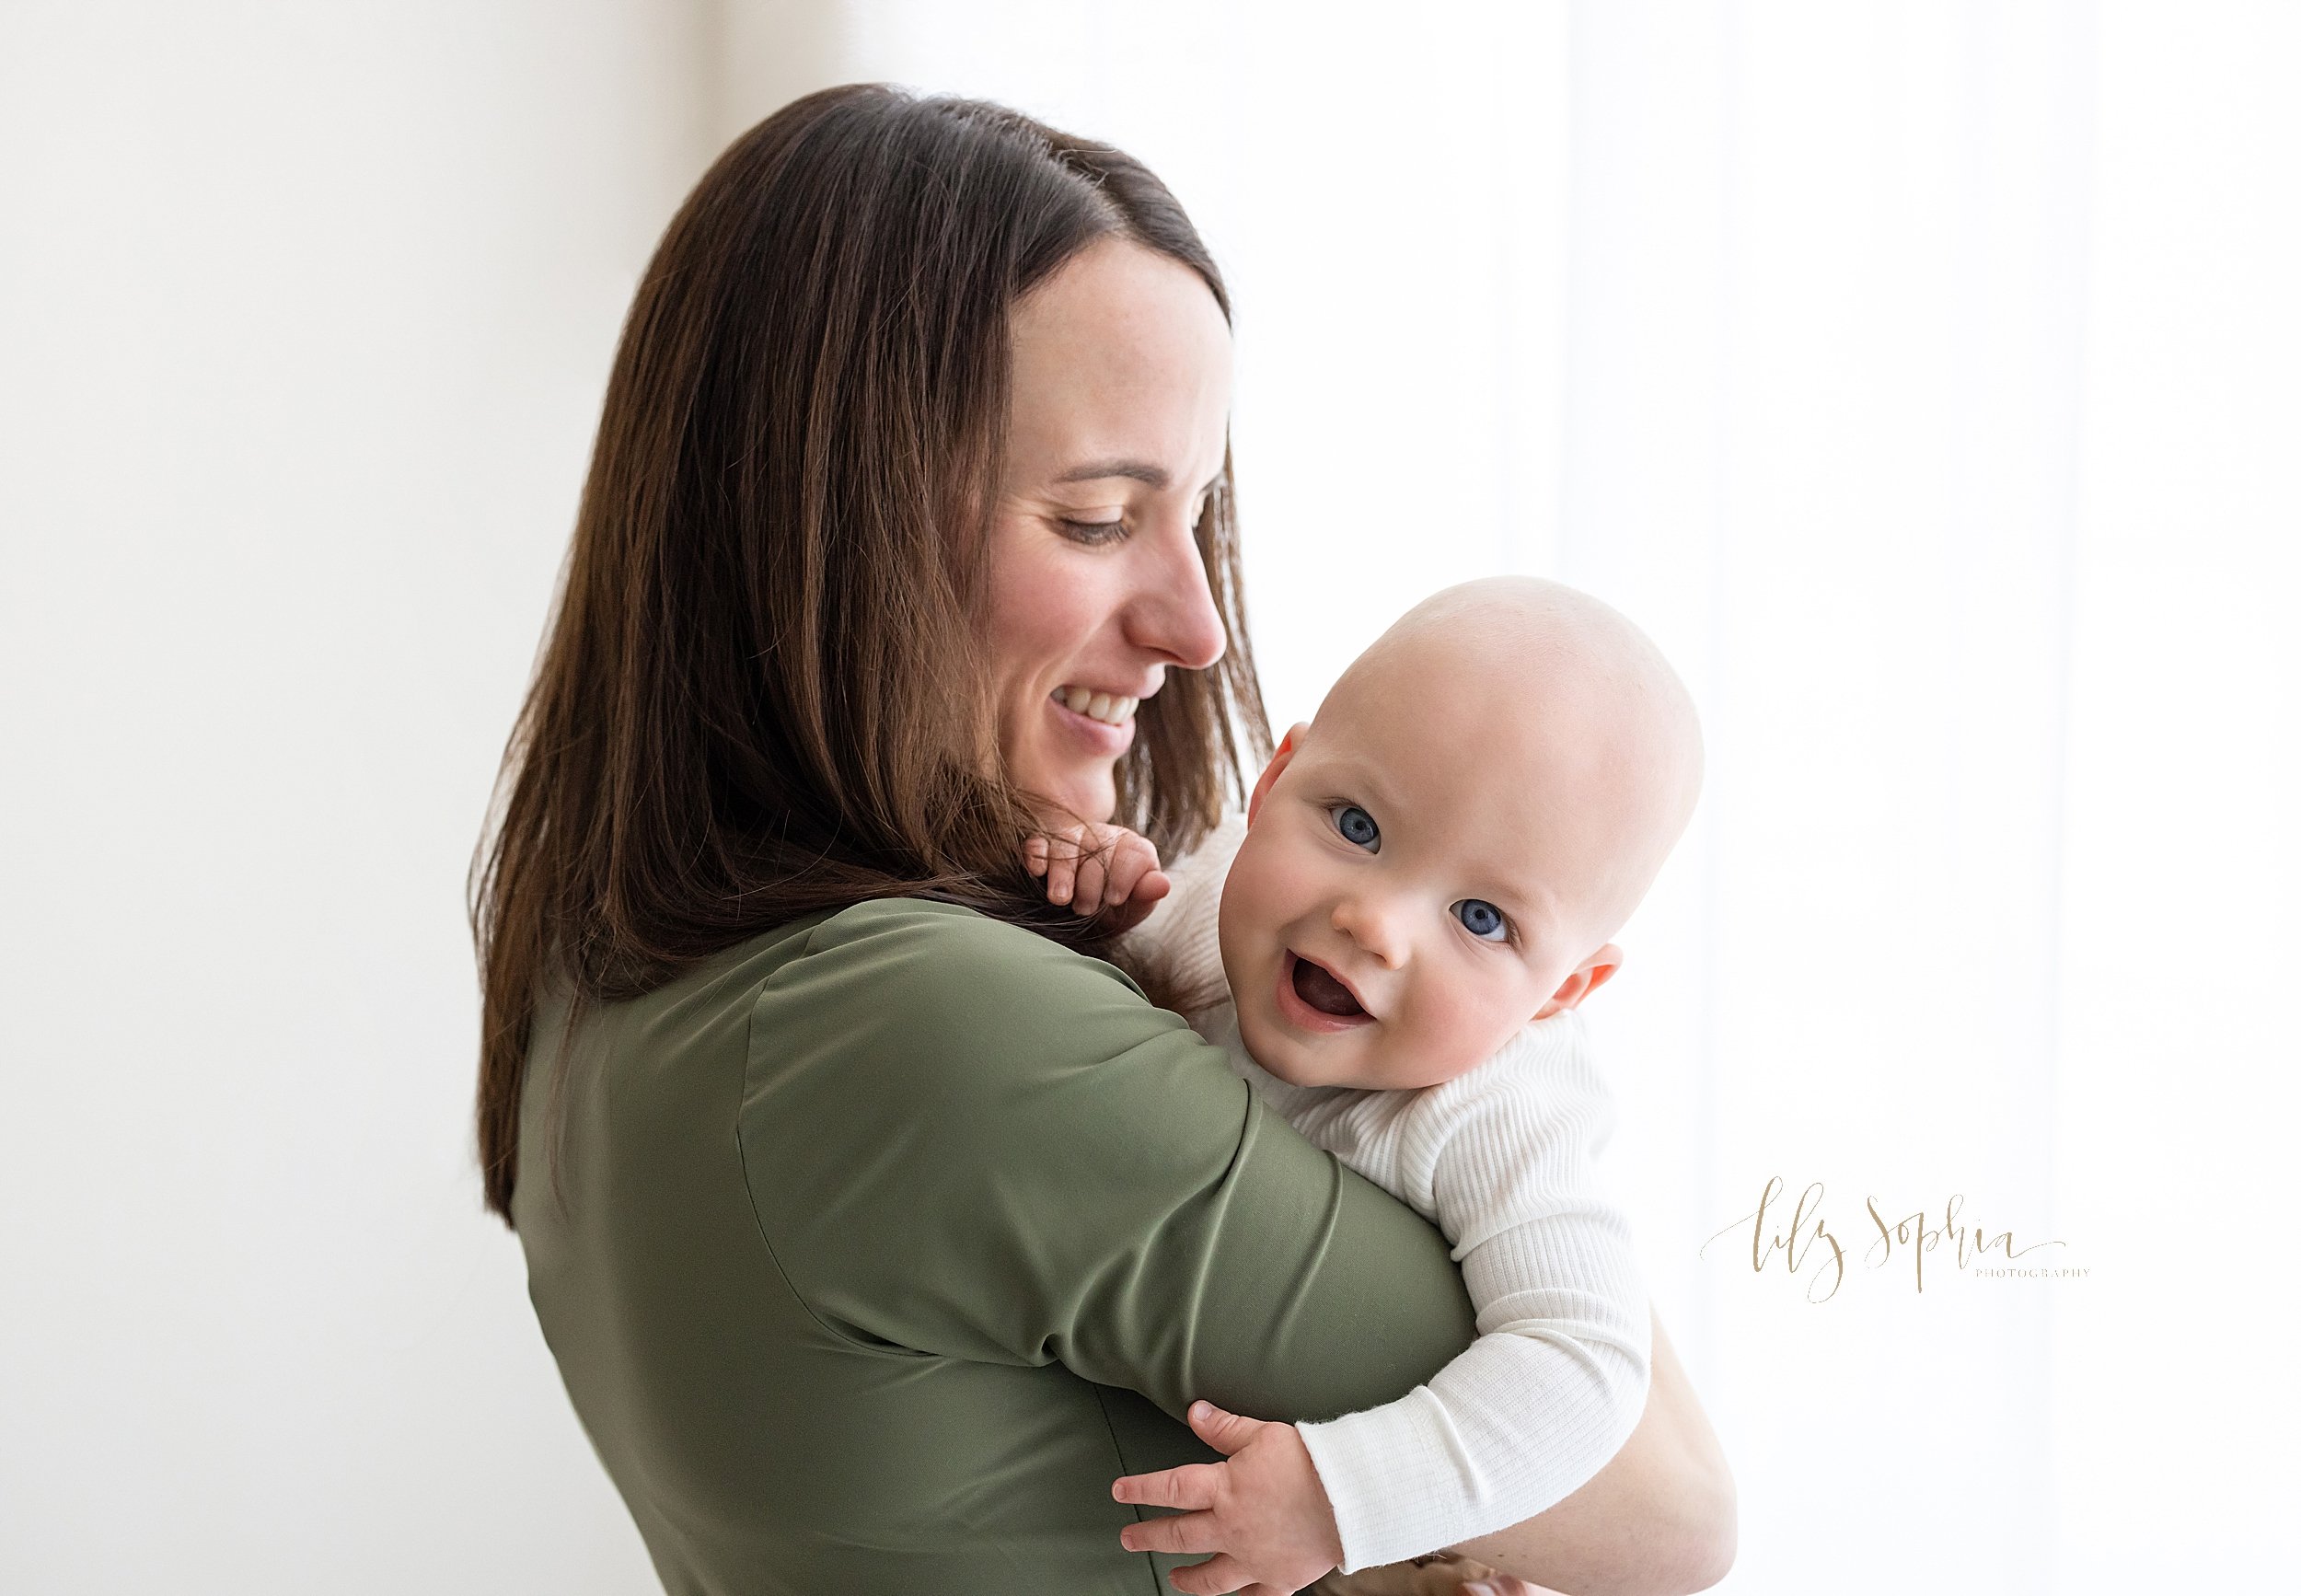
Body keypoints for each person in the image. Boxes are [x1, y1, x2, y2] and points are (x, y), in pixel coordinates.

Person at [470, 83, 1735, 1596]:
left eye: (1196, 517)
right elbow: (1662, 1512)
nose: (1198, 625)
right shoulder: (929, 1027)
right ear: (826, 525)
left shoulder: (590, 993)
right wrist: (1497, 1058)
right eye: (1092, 518)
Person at [1034, 577, 1704, 1591]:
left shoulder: (1496, 1107)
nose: (1374, 924)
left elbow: (1583, 1366)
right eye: (1355, 825)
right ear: (1273, 782)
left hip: (1348, 1504)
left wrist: (1343, 1501)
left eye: (1481, 919)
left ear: (1561, 993)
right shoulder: (1214, 898)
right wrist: (1094, 905)